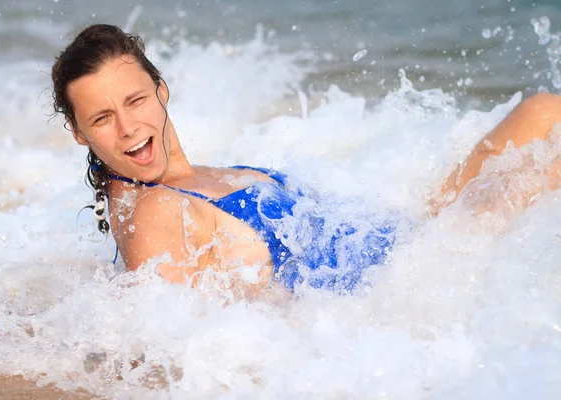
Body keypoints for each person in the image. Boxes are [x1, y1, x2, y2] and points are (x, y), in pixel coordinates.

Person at [51, 24, 561, 297]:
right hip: (413, 279)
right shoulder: (154, 210)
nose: (128, 128)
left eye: (135, 101)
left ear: (161, 91)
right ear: (78, 133)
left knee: (544, 111)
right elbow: (176, 343)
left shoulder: (192, 177)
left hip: (414, 237)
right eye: (101, 119)